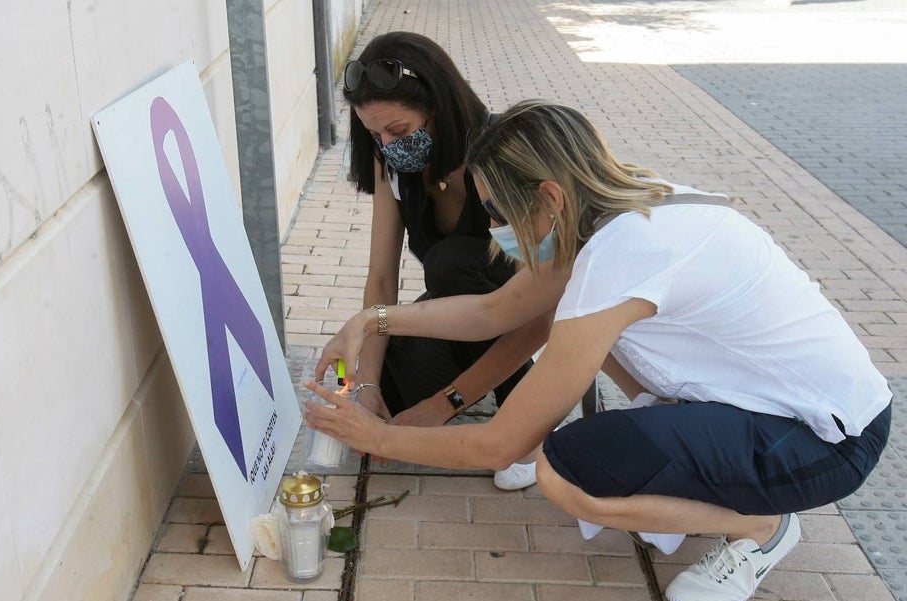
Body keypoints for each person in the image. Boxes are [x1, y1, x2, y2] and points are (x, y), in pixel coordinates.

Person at [305, 100, 892, 601]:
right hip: (805, 405)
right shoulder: (631, 205)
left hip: (825, 442)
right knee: (572, 341)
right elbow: (498, 311)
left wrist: (378, 437)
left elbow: (505, 442)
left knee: (566, 472)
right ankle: (700, 470)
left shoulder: (622, 254)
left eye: (496, 211)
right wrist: (372, 319)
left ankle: (761, 525)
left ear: (549, 197)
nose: (491, 227)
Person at [337, 32, 553, 489]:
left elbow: (540, 313)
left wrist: (445, 404)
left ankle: (524, 421)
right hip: (462, 310)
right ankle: (491, 388)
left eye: (398, 131)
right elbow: (380, 278)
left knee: (450, 261)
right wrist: (367, 387)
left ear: (438, 105)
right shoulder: (391, 163)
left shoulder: (500, 156)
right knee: (391, 397)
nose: (389, 146)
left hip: (521, 312)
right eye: (374, 135)